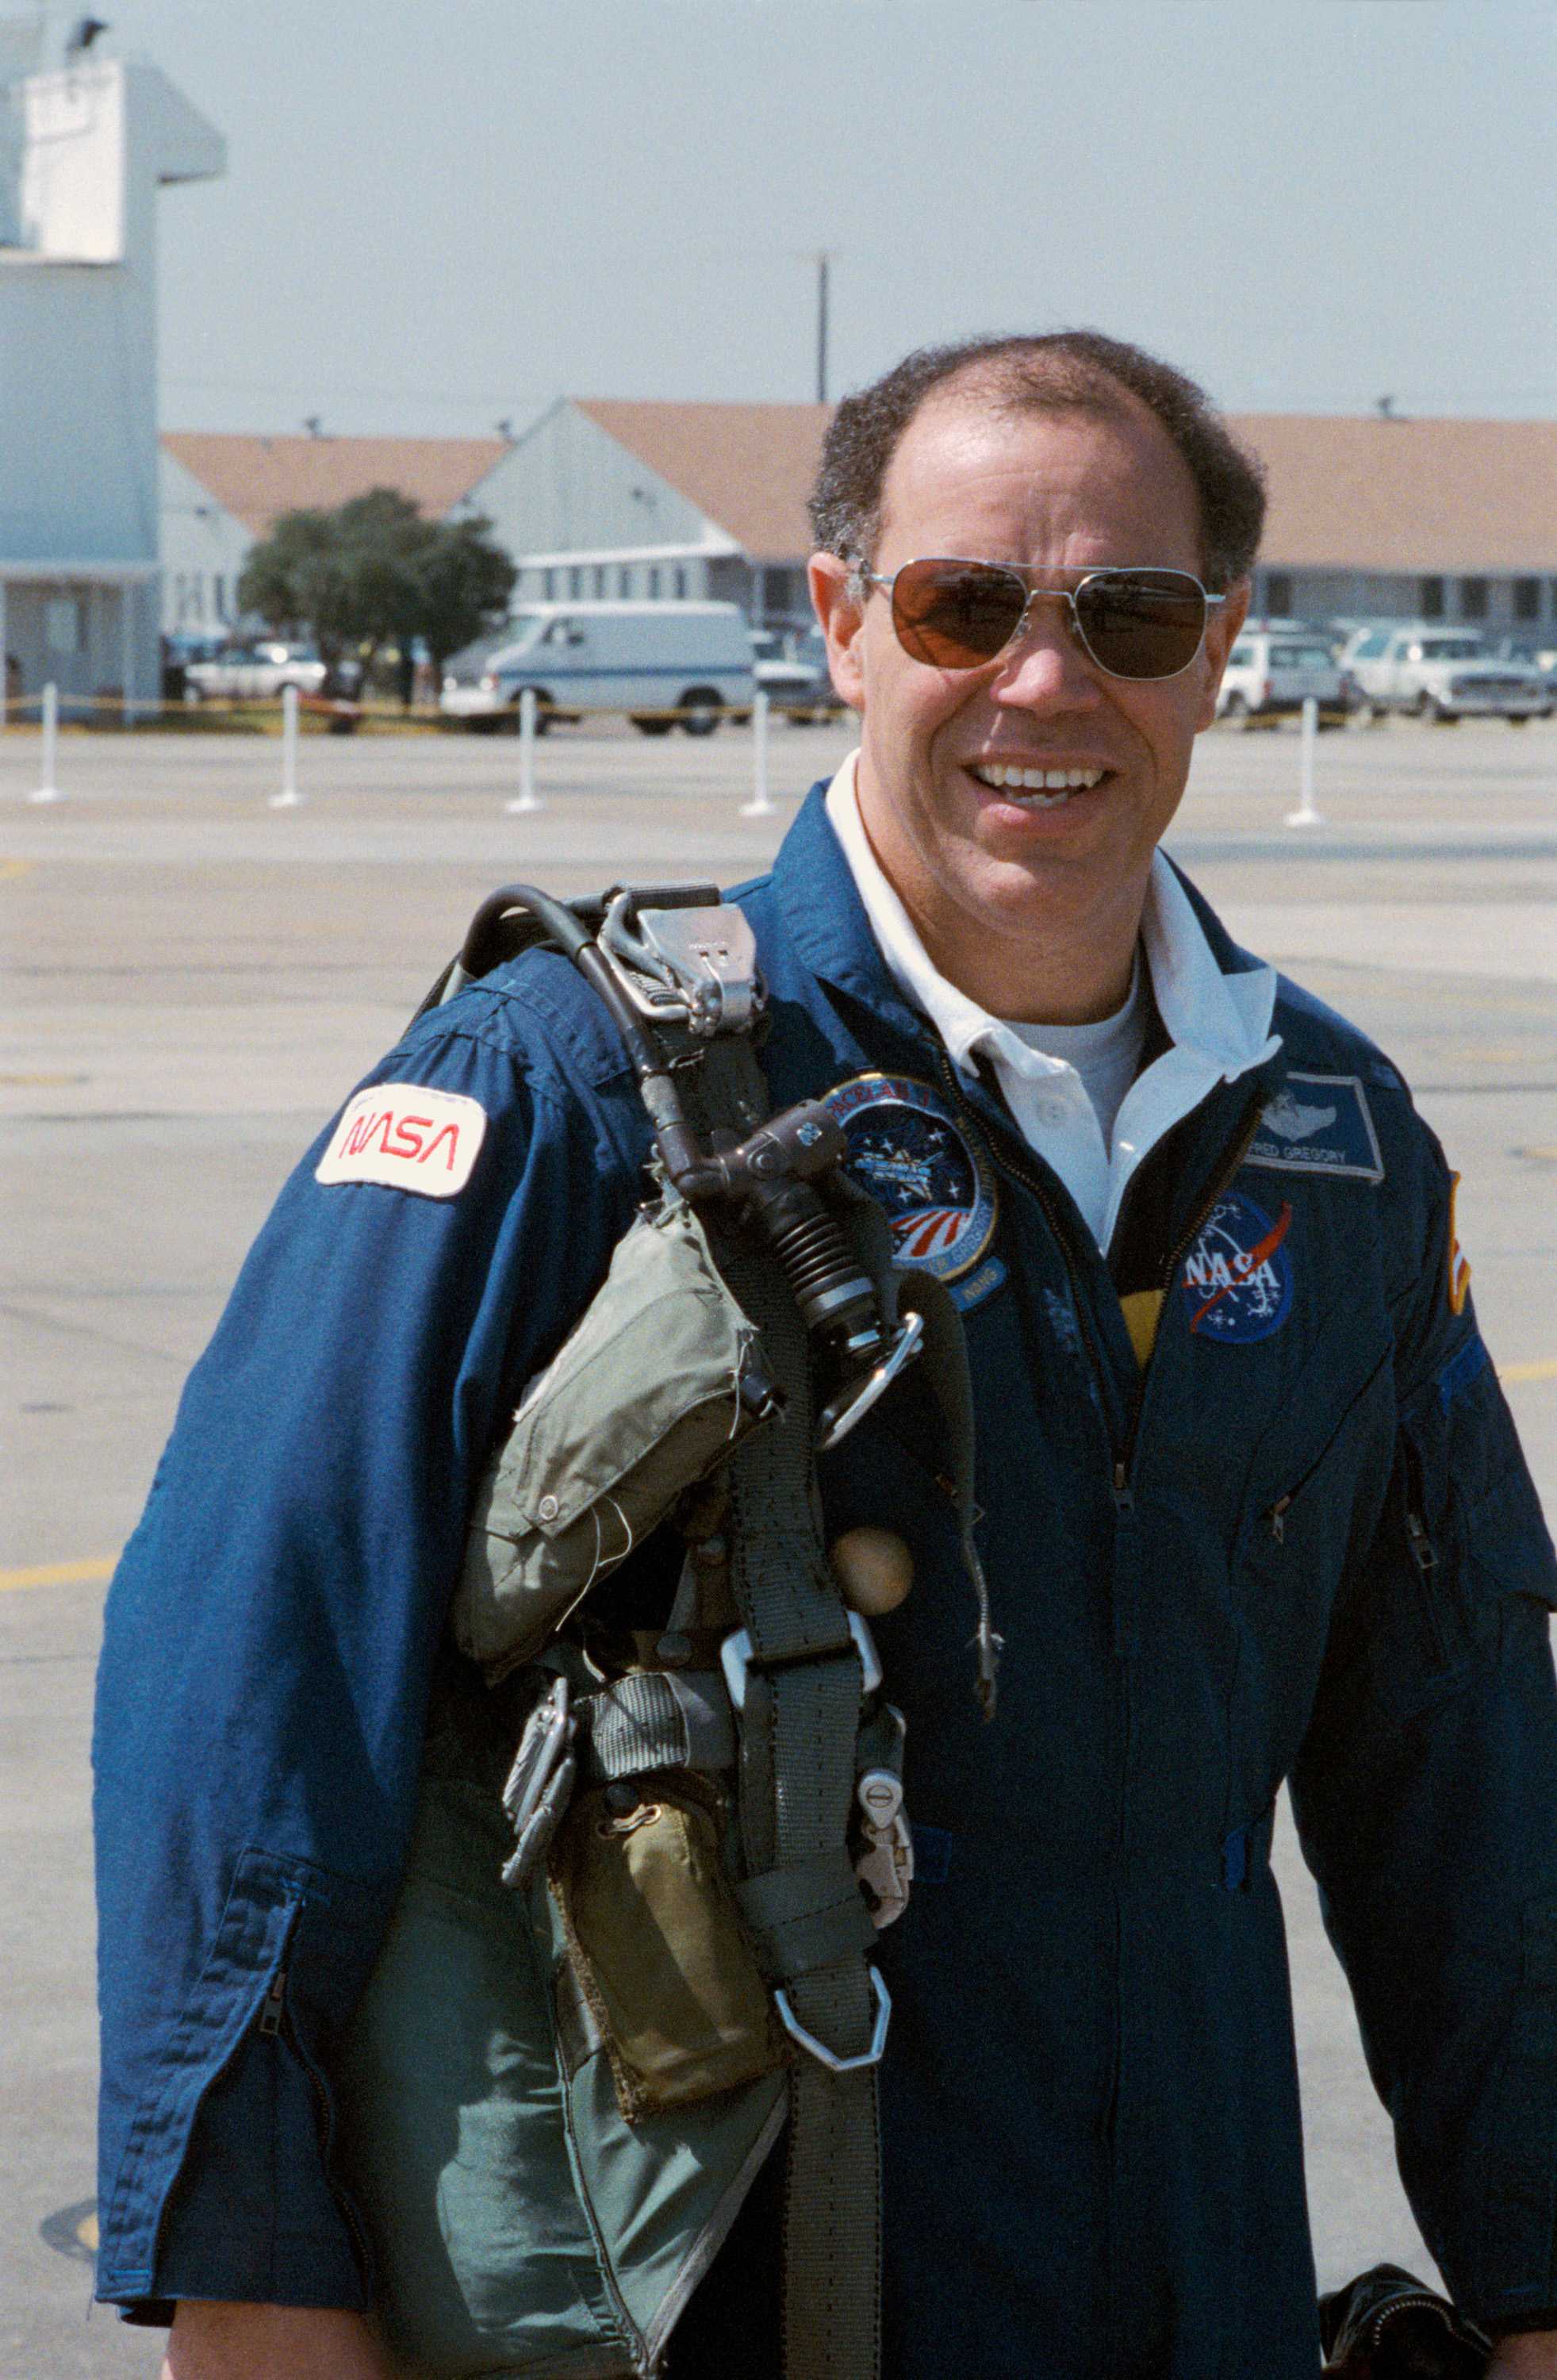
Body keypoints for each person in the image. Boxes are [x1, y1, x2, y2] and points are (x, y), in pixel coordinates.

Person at [94, 332, 1557, 2380]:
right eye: (967, 605)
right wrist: (254, 2288)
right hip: (749, 2310)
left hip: (1192, 2296)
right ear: (840, 621)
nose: (1045, 684)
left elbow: (1467, 1772)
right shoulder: (581, 1092)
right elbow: (246, 1672)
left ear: (1216, 652)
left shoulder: (1335, 1148)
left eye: (1125, 614)